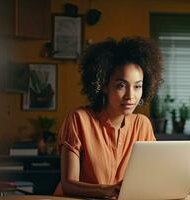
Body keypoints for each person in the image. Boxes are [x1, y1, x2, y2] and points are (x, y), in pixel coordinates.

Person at [54, 36, 163, 199]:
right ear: (104, 85)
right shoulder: (79, 119)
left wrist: (177, 179)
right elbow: (68, 184)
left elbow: (153, 175)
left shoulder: (142, 125)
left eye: (137, 86)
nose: (130, 96)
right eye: (121, 86)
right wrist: (104, 191)